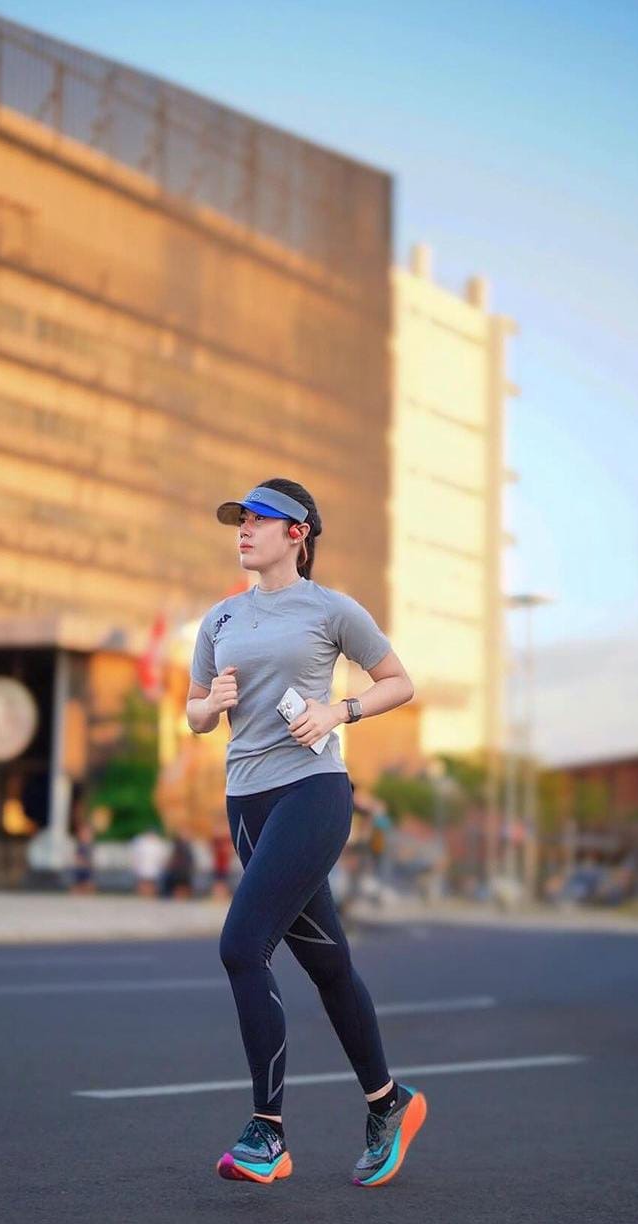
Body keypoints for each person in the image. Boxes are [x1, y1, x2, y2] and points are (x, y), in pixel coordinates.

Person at [186, 478, 428, 1188]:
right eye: (239, 520)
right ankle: (389, 1103)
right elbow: (194, 714)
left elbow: (398, 681)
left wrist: (338, 711)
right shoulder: (220, 620)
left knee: (241, 945)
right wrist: (210, 705)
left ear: (297, 533)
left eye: (257, 519)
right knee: (327, 964)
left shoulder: (331, 609)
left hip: (312, 791)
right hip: (246, 803)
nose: (243, 529)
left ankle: (268, 1132)